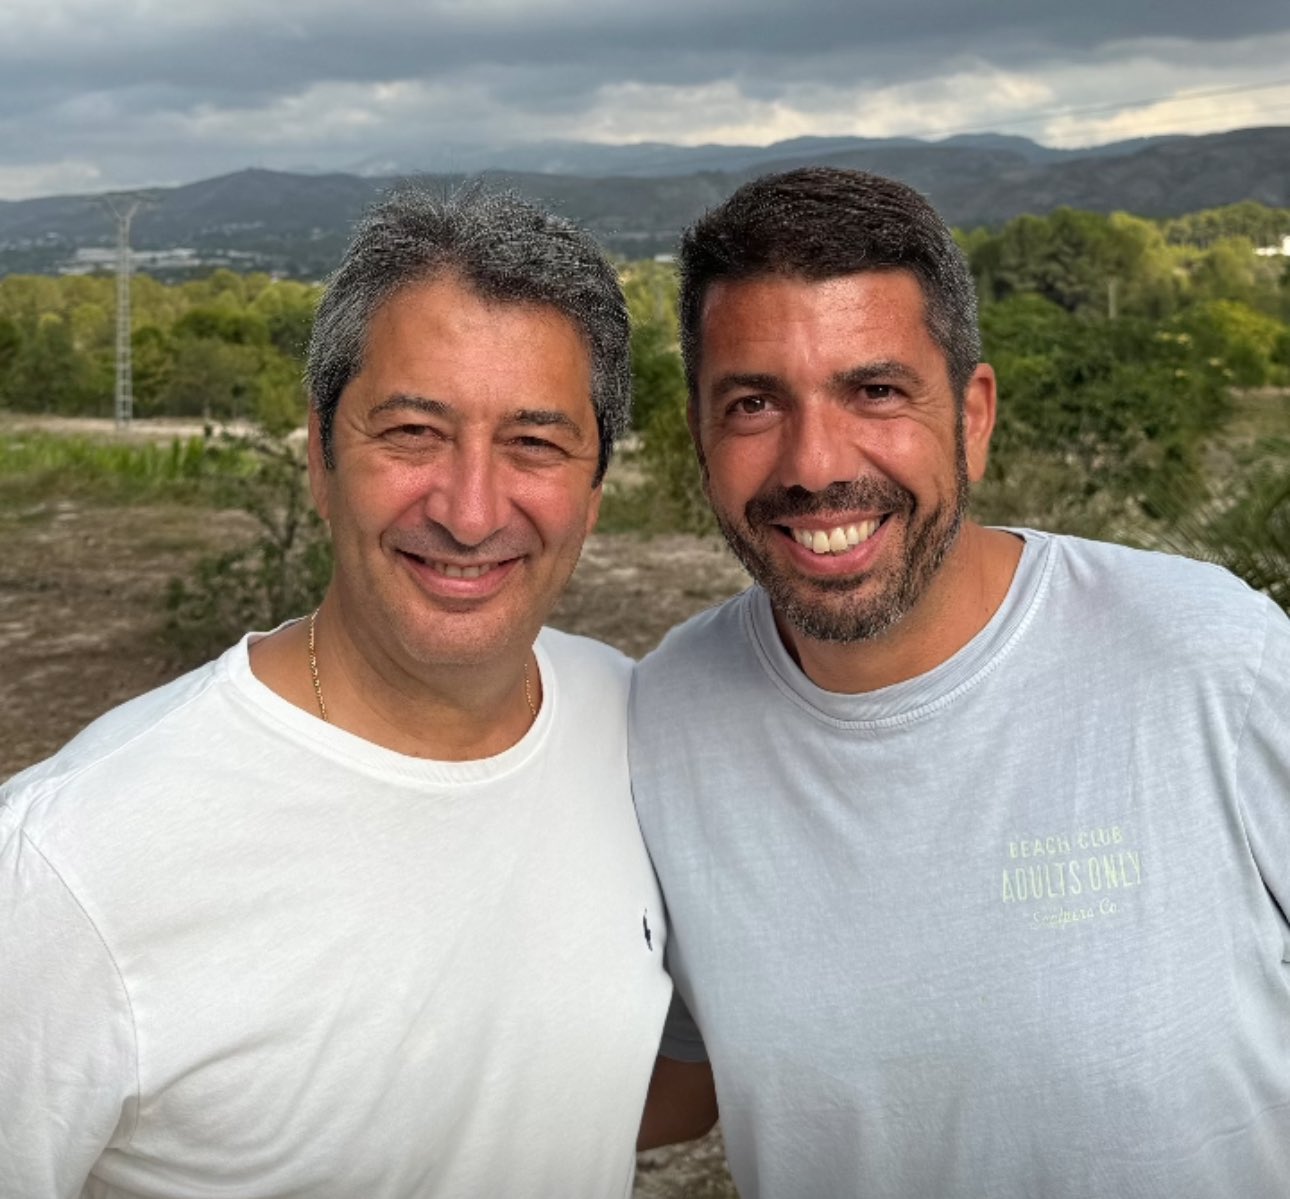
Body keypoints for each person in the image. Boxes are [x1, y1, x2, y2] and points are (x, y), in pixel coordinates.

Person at [631, 166, 1290, 1197]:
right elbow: (675, 1077)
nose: (814, 463)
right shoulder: (662, 718)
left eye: (875, 390)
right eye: (754, 402)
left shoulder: (1212, 661)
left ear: (972, 413)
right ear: (702, 438)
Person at [1, 187, 671, 1198]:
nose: (471, 506)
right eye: (411, 430)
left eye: (535, 442)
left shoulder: (640, 731)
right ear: (320, 455)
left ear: (594, 491)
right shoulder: (68, 865)